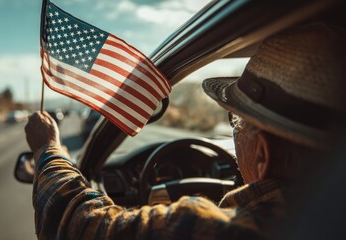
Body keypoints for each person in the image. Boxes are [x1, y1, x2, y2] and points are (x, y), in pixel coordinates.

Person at [25, 23, 346, 240]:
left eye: (237, 122)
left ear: (262, 155)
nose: (234, 139)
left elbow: (75, 224)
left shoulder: (207, 227)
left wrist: (48, 149)